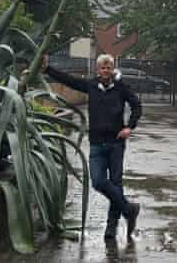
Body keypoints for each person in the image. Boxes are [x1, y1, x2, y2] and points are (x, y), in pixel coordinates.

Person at [42, 53, 142, 240]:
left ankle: (111, 228)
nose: (106, 71)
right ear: (98, 70)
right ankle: (129, 210)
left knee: (116, 184)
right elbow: (69, 80)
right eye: (103, 68)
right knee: (98, 182)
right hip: (96, 144)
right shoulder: (91, 86)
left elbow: (137, 106)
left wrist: (130, 127)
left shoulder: (121, 87)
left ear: (112, 69)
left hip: (116, 144)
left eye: (109, 67)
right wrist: (47, 69)